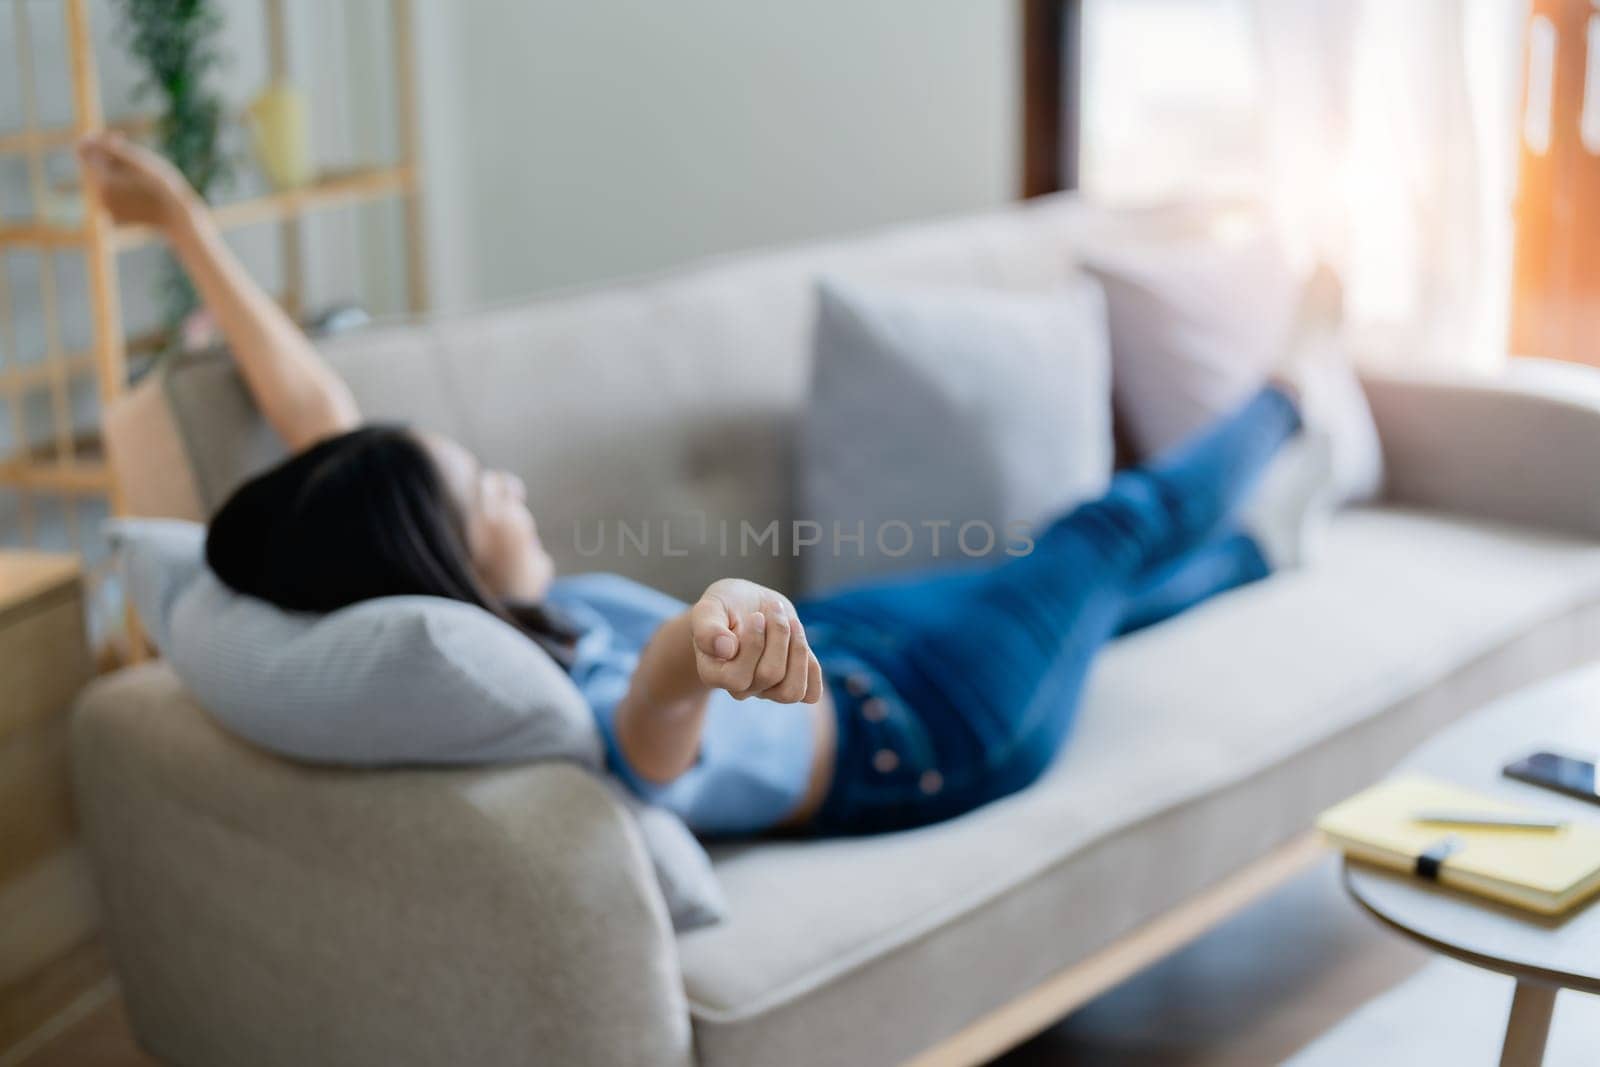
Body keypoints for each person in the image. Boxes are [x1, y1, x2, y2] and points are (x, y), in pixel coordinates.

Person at [78, 132, 1339, 839]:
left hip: (860, 641)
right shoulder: (554, 690)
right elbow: (651, 741)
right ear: (442, 565)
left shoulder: (461, 596)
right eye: (487, 499)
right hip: (936, 720)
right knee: (1101, 531)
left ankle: (1253, 556)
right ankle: (1291, 393)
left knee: (1069, 587)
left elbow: (318, 417)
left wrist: (185, 222)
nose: (511, 489)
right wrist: (700, 633)